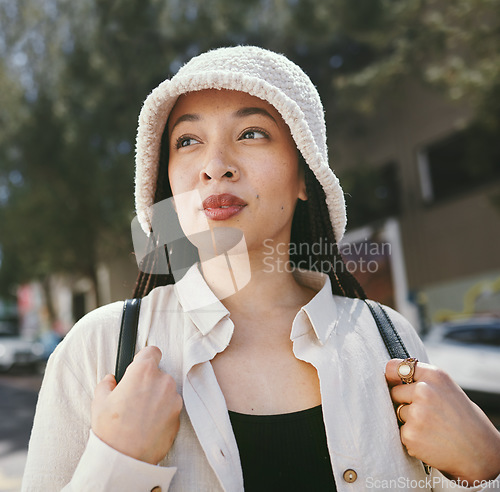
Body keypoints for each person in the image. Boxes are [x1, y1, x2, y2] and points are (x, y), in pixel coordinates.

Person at [22, 46, 500, 491]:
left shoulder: (386, 341)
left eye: (251, 133)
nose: (215, 166)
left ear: (305, 178)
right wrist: (118, 464)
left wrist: (485, 467)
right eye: (187, 140)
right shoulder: (99, 350)